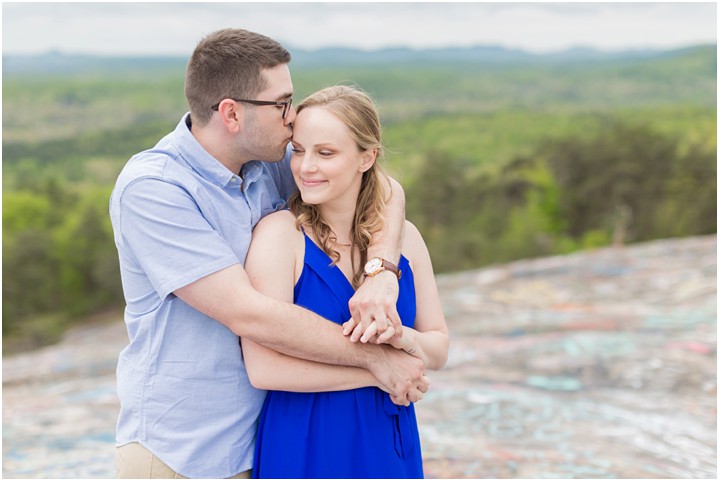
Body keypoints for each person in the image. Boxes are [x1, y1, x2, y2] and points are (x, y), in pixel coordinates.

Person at [109, 29, 429, 479]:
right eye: (282, 103)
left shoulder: (270, 164)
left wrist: (381, 272)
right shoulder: (156, 190)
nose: (292, 116)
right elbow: (250, 314)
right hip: (182, 453)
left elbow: (383, 189)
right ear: (232, 113)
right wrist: (377, 360)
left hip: (261, 444)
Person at [242, 85, 449, 478]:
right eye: (298, 150)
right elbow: (263, 370)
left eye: (326, 153)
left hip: (389, 439)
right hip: (307, 440)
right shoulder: (280, 236)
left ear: (366, 157)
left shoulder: (407, 239)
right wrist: (380, 368)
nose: (305, 167)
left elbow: (438, 348)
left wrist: (405, 341)